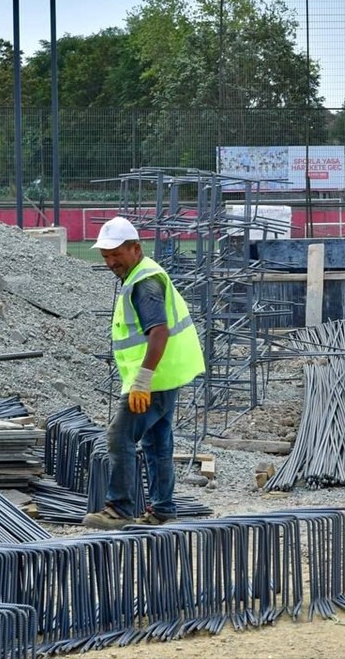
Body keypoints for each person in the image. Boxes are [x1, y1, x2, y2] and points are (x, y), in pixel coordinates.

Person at [82, 217, 205, 529]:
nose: (110, 262)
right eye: (105, 257)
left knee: (120, 434)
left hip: (153, 379)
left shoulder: (144, 282)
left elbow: (159, 332)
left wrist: (143, 379)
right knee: (157, 442)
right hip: (164, 375)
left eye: (116, 255)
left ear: (136, 249)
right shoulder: (142, 275)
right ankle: (163, 509)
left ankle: (119, 508)